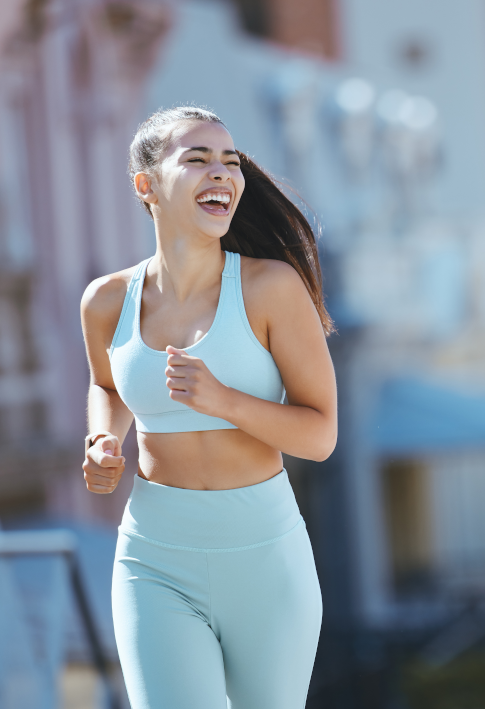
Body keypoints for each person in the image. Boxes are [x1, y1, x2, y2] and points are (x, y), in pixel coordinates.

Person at [80, 106, 336, 708]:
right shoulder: (106, 301)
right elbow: (108, 387)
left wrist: (224, 401)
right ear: (147, 185)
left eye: (230, 161)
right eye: (197, 159)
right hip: (154, 557)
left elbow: (320, 435)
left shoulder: (272, 287)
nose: (221, 172)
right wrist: (102, 439)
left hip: (264, 556)